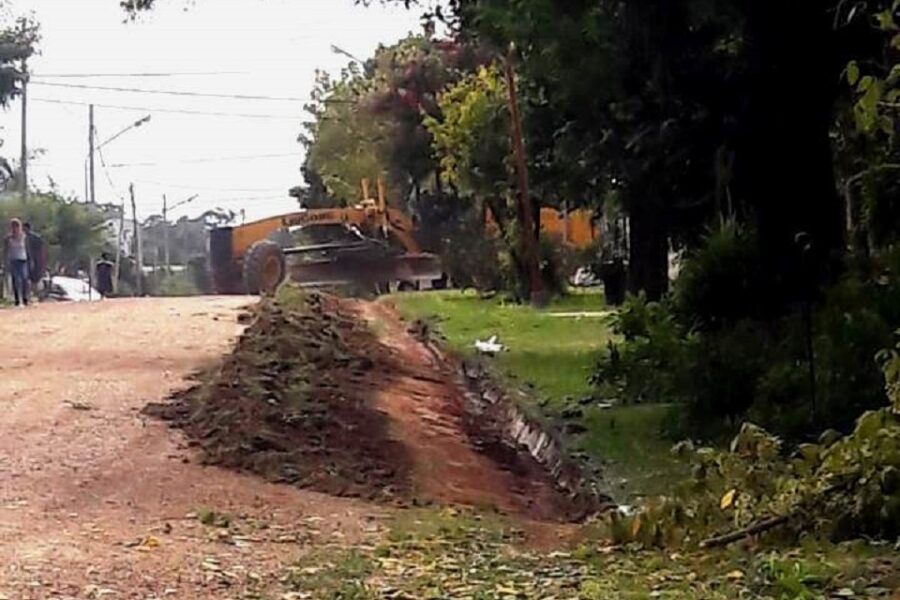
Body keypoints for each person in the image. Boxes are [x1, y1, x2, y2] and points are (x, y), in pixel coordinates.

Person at [4, 218, 30, 306]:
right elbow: (5, 250)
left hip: (23, 259)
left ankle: (25, 298)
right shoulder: (8, 238)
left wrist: (31, 259)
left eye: (17, 226)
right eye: (13, 226)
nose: (15, 228)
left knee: (24, 279)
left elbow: (28, 248)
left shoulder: (24, 237)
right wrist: (5, 261)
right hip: (13, 260)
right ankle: (17, 300)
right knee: (16, 280)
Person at [23, 222, 46, 287]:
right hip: (24, 258)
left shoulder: (35, 237)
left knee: (33, 277)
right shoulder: (21, 237)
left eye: (25, 228)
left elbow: (41, 249)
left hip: (33, 259)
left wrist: (41, 260)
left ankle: (33, 291)